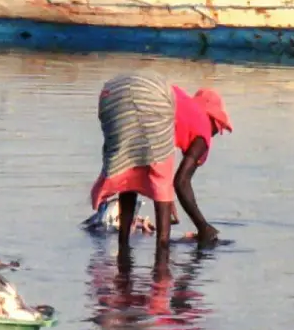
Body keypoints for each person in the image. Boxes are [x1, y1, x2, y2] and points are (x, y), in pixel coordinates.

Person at [88, 74, 232, 250]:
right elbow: (181, 182)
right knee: (162, 176)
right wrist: (203, 227)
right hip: (154, 98)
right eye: (217, 129)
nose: (214, 135)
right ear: (212, 119)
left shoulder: (182, 103)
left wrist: (168, 198)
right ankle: (162, 259)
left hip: (113, 94)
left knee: (130, 168)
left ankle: (123, 247)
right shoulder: (203, 129)